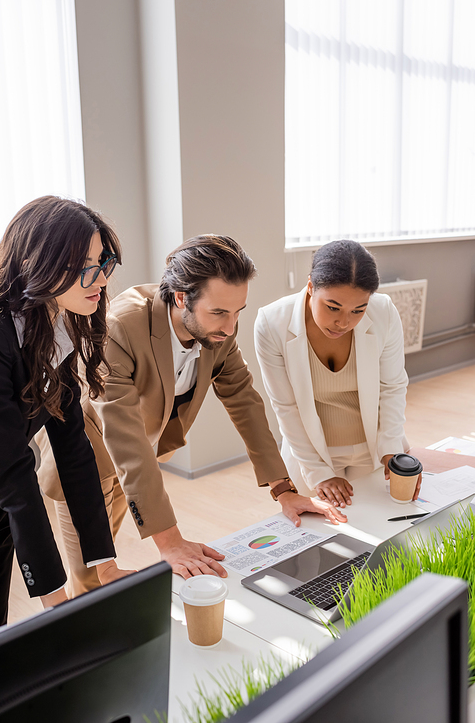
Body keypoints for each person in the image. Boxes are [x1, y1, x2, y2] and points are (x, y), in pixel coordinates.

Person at [36, 234, 347, 596]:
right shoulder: (119, 325)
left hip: (134, 463)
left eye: (237, 313)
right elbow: (124, 436)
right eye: (219, 313)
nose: (231, 328)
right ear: (181, 297)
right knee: (94, 576)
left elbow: (244, 399)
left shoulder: (219, 327)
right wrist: (169, 542)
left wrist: (284, 489)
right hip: (84, 460)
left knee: (108, 554)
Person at [0, 196, 132, 637]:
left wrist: (105, 564)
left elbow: (73, 449)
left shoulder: (54, 326)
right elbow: (12, 469)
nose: (99, 278)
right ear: (38, 262)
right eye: (83, 265)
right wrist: (54, 599)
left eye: (103, 262)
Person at [254, 239, 417, 510]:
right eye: (333, 307)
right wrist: (319, 472)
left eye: (358, 310)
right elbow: (286, 406)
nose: (344, 322)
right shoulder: (272, 323)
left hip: (375, 450)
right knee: (321, 540)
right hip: (311, 455)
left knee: (378, 533)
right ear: (310, 288)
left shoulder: (383, 311)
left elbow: (393, 386)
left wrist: (391, 449)